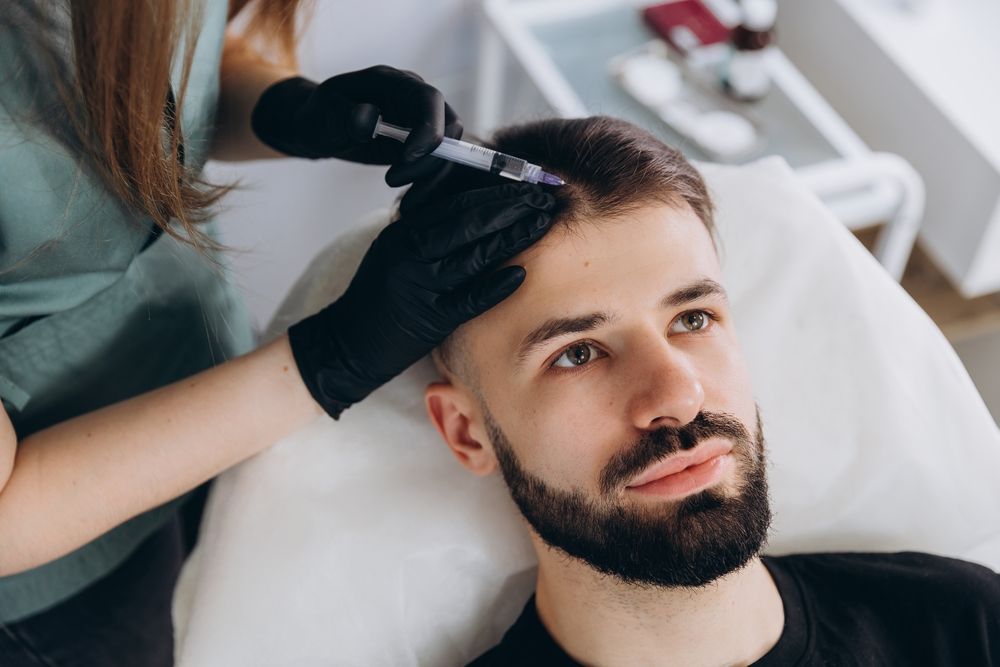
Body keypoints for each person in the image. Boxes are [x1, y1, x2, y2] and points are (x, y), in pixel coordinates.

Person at [0, 1, 556, 664]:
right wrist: (330, 359)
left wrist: (288, 108)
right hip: (67, 575)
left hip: (215, 386)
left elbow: (180, 67)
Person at [415, 116, 1000, 666]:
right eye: (577, 353)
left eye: (693, 319)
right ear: (468, 432)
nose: (677, 395)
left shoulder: (961, 624)